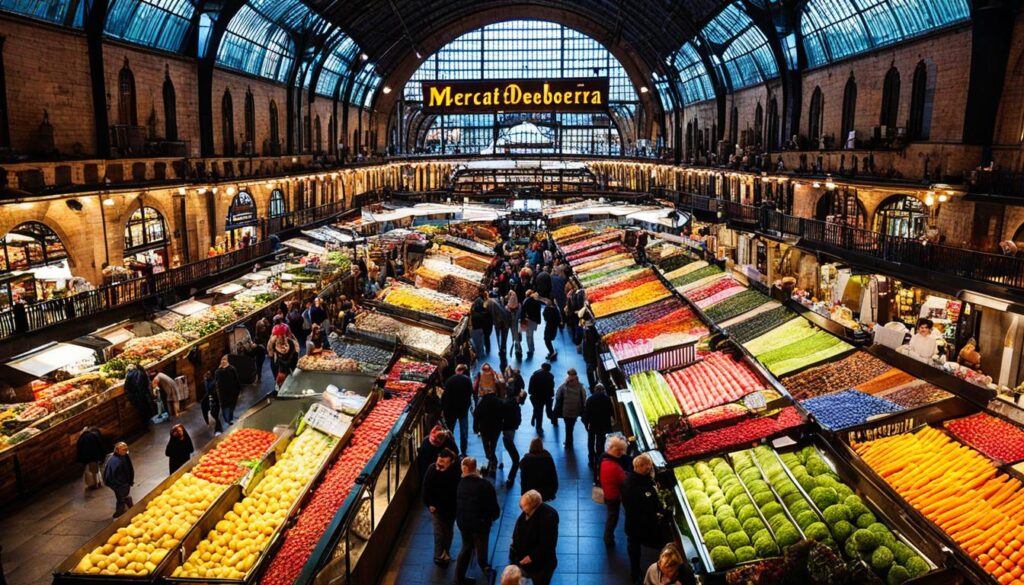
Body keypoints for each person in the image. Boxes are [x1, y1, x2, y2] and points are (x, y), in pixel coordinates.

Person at [623, 453, 669, 583]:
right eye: (648, 466)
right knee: (635, 548)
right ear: (639, 466)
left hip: (642, 523)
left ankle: (638, 571)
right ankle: (636, 573)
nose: (650, 468)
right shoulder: (631, 486)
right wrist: (654, 514)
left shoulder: (643, 477)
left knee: (636, 547)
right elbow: (634, 508)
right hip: (637, 525)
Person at [455, 457, 500, 585]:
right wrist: (492, 517)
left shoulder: (461, 484)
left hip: (463, 523)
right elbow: (493, 506)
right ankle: (484, 567)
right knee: (481, 546)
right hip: (480, 524)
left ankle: (459, 578)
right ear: (475, 468)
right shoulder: (484, 485)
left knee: (466, 547)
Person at [510, 489, 559, 585]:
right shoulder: (527, 511)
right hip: (525, 561)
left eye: (523, 506)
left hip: (541, 565)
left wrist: (530, 557)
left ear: (533, 506)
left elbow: (547, 545)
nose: (521, 508)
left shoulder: (549, 517)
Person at [422, 448, 461, 567]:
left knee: (448, 531)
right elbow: (425, 488)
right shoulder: (432, 469)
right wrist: (429, 504)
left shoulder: (456, 472)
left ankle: (446, 551)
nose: (439, 467)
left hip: (451, 509)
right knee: (438, 532)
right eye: (439, 462)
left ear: (451, 462)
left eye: (443, 464)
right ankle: (438, 555)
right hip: (437, 509)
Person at [599, 436, 631, 546]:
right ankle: (608, 538)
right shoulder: (615, 467)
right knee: (613, 517)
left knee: (610, 515)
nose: (622, 453)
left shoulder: (604, 458)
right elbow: (624, 481)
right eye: (621, 451)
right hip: (613, 496)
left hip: (607, 492)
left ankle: (608, 536)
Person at [442, 364, 474, 454]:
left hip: (451, 411)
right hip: (463, 410)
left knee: (450, 430)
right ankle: (463, 450)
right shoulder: (467, 380)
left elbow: (445, 397)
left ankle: (451, 449)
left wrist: (445, 410)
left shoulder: (449, 381)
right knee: (464, 431)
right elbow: (470, 394)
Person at [583, 383, 615, 471]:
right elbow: (611, 412)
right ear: (603, 390)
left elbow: (586, 413)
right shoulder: (607, 399)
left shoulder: (590, 399)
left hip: (593, 424)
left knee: (591, 441)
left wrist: (586, 424)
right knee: (600, 441)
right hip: (604, 424)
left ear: (595, 390)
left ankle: (591, 459)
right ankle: (599, 458)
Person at [500, 380, 526, 488]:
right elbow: (517, 419)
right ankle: (510, 479)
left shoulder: (507, 402)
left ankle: (498, 464)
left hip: (505, 428)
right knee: (515, 458)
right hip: (509, 429)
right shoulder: (515, 406)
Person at [473, 388, 504, 477]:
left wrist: (475, 428)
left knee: (486, 446)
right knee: (493, 445)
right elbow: (503, 415)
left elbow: (476, 416)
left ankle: (491, 461)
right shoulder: (499, 402)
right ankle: (492, 463)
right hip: (496, 428)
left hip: (484, 428)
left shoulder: (481, 402)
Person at [554, 369, 587, 448]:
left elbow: (558, 396)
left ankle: (568, 442)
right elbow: (584, 398)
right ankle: (569, 442)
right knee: (570, 426)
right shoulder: (580, 386)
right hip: (576, 411)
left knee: (568, 427)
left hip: (566, 410)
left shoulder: (564, 386)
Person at [520, 437, 558, 501]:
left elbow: (523, 479)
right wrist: (553, 491)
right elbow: (553, 476)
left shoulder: (525, 460)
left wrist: (523, 494)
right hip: (545, 491)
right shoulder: (548, 458)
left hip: (531, 492)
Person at [103, 442, 134, 518]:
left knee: (124, 496)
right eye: (123, 449)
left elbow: (129, 467)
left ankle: (130, 507)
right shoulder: (115, 461)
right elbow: (109, 476)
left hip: (125, 482)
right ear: (117, 450)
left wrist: (129, 481)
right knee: (121, 499)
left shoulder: (124, 456)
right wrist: (118, 485)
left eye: (126, 448)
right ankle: (118, 514)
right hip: (120, 484)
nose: (126, 450)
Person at [528, 362, 556, 434]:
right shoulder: (551, 376)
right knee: (549, 411)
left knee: (539, 412)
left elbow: (530, 388)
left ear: (541, 367)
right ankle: (554, 420)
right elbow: (551, 387)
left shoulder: (534, 376)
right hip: (547, 397)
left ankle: (538, 427)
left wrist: (532, 393)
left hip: (537, 397)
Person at [214, 356, 241, 425]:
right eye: (222, 360)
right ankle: (229, 420)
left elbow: (236, 380)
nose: (223, 361)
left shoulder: (230, 369)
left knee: (228, 406)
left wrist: (238, 389)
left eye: (225, 360)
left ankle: (229, 420)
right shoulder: (219, 371)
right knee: (227, 407)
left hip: (230, 392)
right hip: (225, 393)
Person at [520, 291, 543, 358]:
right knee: (531, 335)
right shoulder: (537, 301)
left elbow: (523, 311)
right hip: (535, 321)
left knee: (528, 336)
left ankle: (531, 350)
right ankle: (532, 348)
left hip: (529, 320)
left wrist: (522, 319)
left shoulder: (527, 301)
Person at [470, 291, 491, 358]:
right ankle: (485, 350)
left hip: (479, 325)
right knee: (484, 338)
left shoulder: (480, 301)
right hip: (484, 325)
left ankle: (480, 352)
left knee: (479, 339)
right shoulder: (485, 302)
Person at [200, 370, 223, 434]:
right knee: (213, 414)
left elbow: (212, 391)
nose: (207, 376)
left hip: (214, 400)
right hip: (210, 399)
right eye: (206, 375)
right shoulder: (207, 382)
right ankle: (216, 428)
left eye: (208, 374)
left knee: (214, 414)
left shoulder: (213, 383)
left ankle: (218, 429)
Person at [582, 322, 601, 387]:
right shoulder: (590, 335)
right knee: (592, 370)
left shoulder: (586, 335)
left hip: (589, 357)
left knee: (591, 371)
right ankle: (594, 384)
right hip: (591, 357)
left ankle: (593, 384)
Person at [505, 289, 522, 358]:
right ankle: (518, 349)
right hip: (518, 324)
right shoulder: (519, 306)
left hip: (514, 325)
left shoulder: (508, 309)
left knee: (516, 338)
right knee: (517, 337)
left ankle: (517, 349)